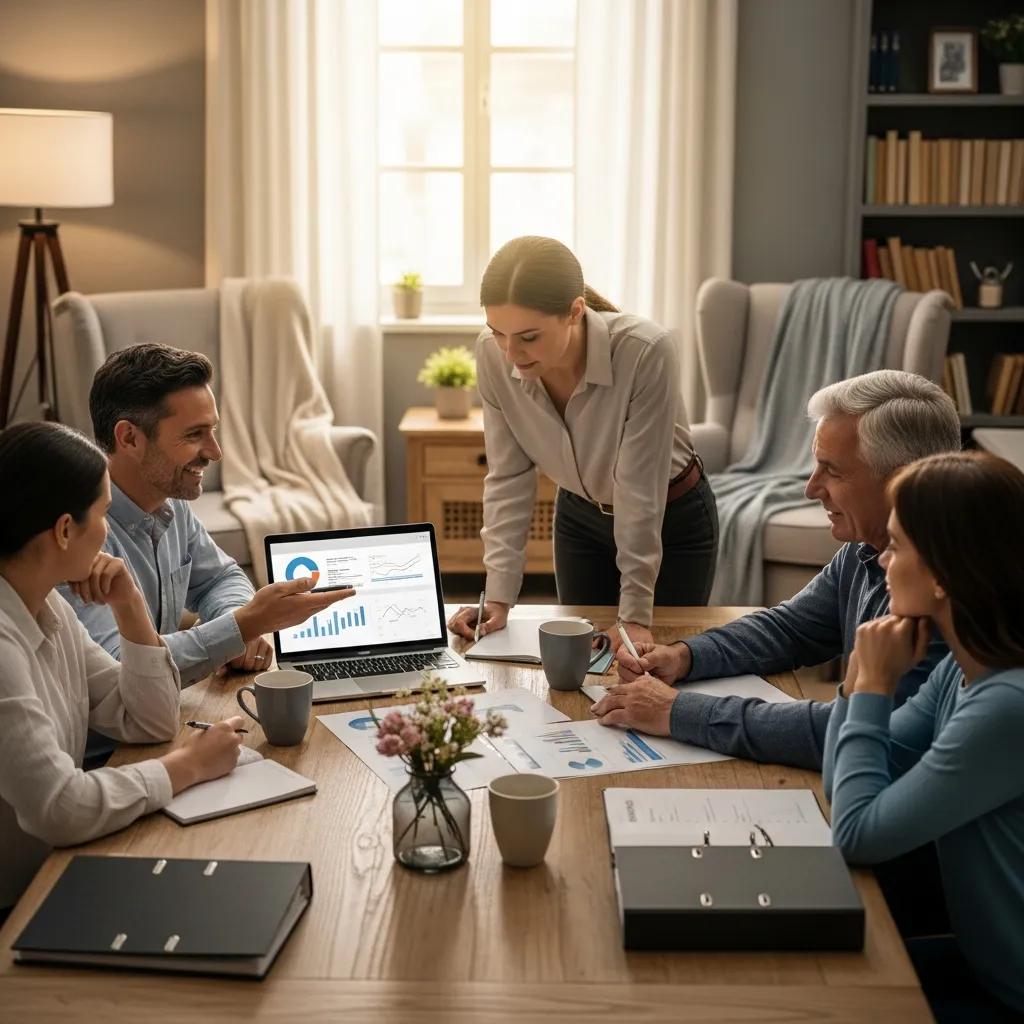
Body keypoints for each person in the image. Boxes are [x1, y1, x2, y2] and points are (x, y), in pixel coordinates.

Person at [594, 370, 960, 770]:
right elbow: (790, 628)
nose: (810, 488)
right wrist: (683, 656)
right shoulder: (866, 548)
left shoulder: (941, 595)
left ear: (902, 481)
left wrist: (678, 711)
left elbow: (853, 736)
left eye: (832, 471)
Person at [0, 422, 245, 917]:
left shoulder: (48, 607)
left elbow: (148, 720)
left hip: (59, 871)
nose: (108, 531)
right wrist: (189, 764)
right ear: (66, 530)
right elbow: (61, 807)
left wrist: (130, 606)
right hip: (19, 901)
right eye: (105, 513)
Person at [824, 451, 1024, 1020]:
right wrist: (855, 685)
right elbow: (856, 783)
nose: (881, 560)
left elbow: (857, 834)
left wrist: (871, 690)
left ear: (942, 574)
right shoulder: (959, 671)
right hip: (982, 965)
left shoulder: (1006, 706)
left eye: (896, 545)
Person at [447, 236, 718, 652]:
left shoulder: (646, 351)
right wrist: (498, 598)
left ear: (575, 311)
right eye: (497, 332)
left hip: (670, 518)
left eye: (529, 337)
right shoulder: (492, 355)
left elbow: (639, 491)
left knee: (660, 671)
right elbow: (507, 477)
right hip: (579, 518)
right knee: (577, 667)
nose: (511, 352)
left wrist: (633, 617)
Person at [64, 343, 352, 687]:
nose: (215, 452)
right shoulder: (76, 536)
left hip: (159, 715)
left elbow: (220, 578)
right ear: (129, 438)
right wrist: (242, 626)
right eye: (193, 434)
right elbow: (120, 669)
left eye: (212, 430)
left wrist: (238, 630)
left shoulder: (170, 501)